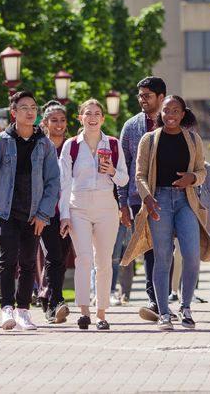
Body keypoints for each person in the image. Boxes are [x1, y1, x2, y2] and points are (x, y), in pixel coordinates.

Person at [121, 96, 210, 330]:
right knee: (162, 258)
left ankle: (186, 307)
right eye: (166, 111)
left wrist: (192, 178)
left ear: (183, 114)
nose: (170, 114)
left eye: (175, 110)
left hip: (186, 201)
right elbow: (139, 174)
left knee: (192, 256)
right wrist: (147, 198)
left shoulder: (193, 139)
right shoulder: (149, 140)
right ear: (160, 113)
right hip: (158, 200)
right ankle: (163, 312)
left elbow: (202, 171)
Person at [0, 90, 61, 331]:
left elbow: (53, 182)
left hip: (34, 213)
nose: (30, 111)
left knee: (28, 262)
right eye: (24, 107)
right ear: (14, 113)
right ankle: (6, 309)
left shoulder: (44, 144)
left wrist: (44, 214)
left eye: (33, 107)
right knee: (8, 260)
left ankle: (23, 310)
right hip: (6, 212)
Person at [59, 99, 128, 330]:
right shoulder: (72, 145)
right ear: (80, 118)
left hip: (107, 208)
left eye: (97, 113)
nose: (92, 117)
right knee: (84, 259)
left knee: (104, 261)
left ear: (103, 118)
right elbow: (64, 182)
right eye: (88, 113)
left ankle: (102, 313)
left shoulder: (113, 144)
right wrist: (64, 214)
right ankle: (84, 312)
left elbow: (125, 179)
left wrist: (112, 172)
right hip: (78, 207)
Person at [118, 76, 168, 321]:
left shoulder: (179, 120)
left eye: (147, 95)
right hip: (139, 197)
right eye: (140, 95)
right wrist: (122, 203)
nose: (141, 100)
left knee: (165, 248)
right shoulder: (131, 126)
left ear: (161, 97)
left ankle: (165, 297)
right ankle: (155, 300)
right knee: (149, 248)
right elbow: (123, 165)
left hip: (171, 196)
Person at [36, 100, 71, 323]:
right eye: (53, 120)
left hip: (69, 210)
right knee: (53, 256)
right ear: (45, 123)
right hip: (45, 211)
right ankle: (56, 300)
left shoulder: (72, 146)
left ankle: (47, 298)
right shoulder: (39, 147)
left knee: (62, 257)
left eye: (62, 120)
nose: (58, 124)